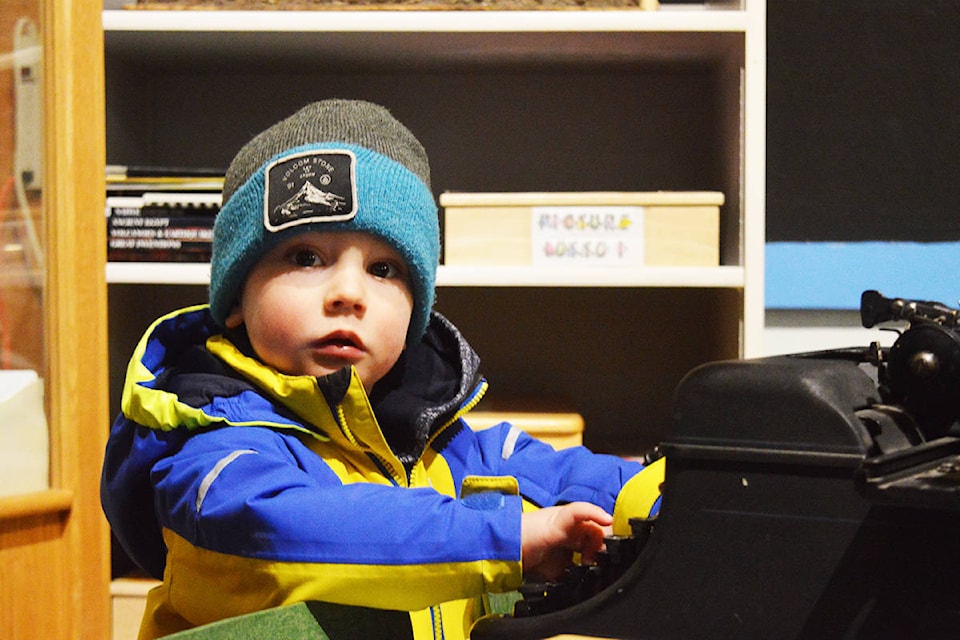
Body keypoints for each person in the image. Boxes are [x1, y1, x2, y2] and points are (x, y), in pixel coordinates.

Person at [100, 99, 664, 640]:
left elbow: (567, 473)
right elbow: (289, 528)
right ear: (234, 299)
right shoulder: (210, 452)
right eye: (306, 257)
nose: (348, 292)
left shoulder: (447, 444)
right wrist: (507, 537)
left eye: (384, 268)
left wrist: (679, 490)